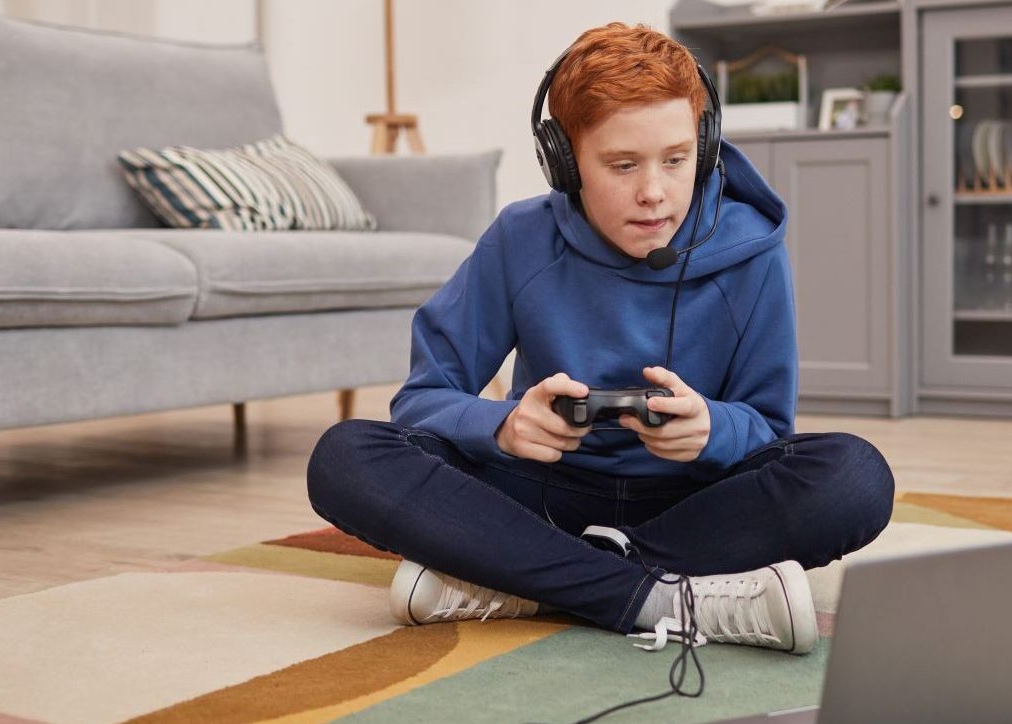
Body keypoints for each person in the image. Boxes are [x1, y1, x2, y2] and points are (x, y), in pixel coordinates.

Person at [306, 23, 894, 655]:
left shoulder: (754, 253)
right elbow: (424, 398)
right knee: (343, 457)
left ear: (705, 145)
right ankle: (661, 597)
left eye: (676, 160)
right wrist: (502, 427)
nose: (654, 192)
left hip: (694, 506)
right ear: (564, 162)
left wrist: (710, 430)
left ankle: (522, 583)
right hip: (537, 493)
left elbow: (767, 430)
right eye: (621, 165)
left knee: (856, 477)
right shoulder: (519, 239)